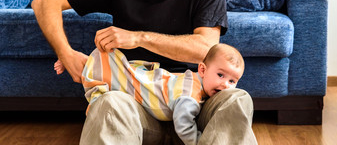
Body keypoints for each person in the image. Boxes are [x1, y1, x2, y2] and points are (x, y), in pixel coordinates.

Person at [32, 0, 258, 144]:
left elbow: (206, 49)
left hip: (195, 106)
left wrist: (137, 38)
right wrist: (65, 53)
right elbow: (45, 1)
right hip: (138, 110)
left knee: (237, 99)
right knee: (109, 103)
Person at [57, 43, 244, 145]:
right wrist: (197, 140)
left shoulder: (195, 81)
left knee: (240, 98)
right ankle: (83, 62)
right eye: (220, 75)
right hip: (143, 97)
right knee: (111, 80)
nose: (225, 84)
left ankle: (87, 62)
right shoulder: (190, 93)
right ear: (202, 70)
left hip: (162, 98)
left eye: (232, 81)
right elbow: (183, 124)